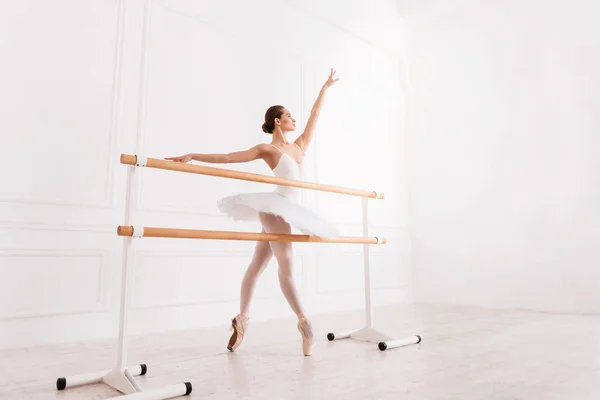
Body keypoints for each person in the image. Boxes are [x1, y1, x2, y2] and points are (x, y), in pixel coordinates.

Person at [165, 68, 340, 356]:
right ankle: (305, 322)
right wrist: (193, 155)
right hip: (275, 208)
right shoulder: (266, 149)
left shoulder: (299, 146)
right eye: (289, 116)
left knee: (257, 267)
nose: (294, 119)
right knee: (287, 271)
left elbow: (315, 115)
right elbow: (229, 158)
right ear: (277, 121)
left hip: (285, 207)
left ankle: (242, 318)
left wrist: (325, 87)